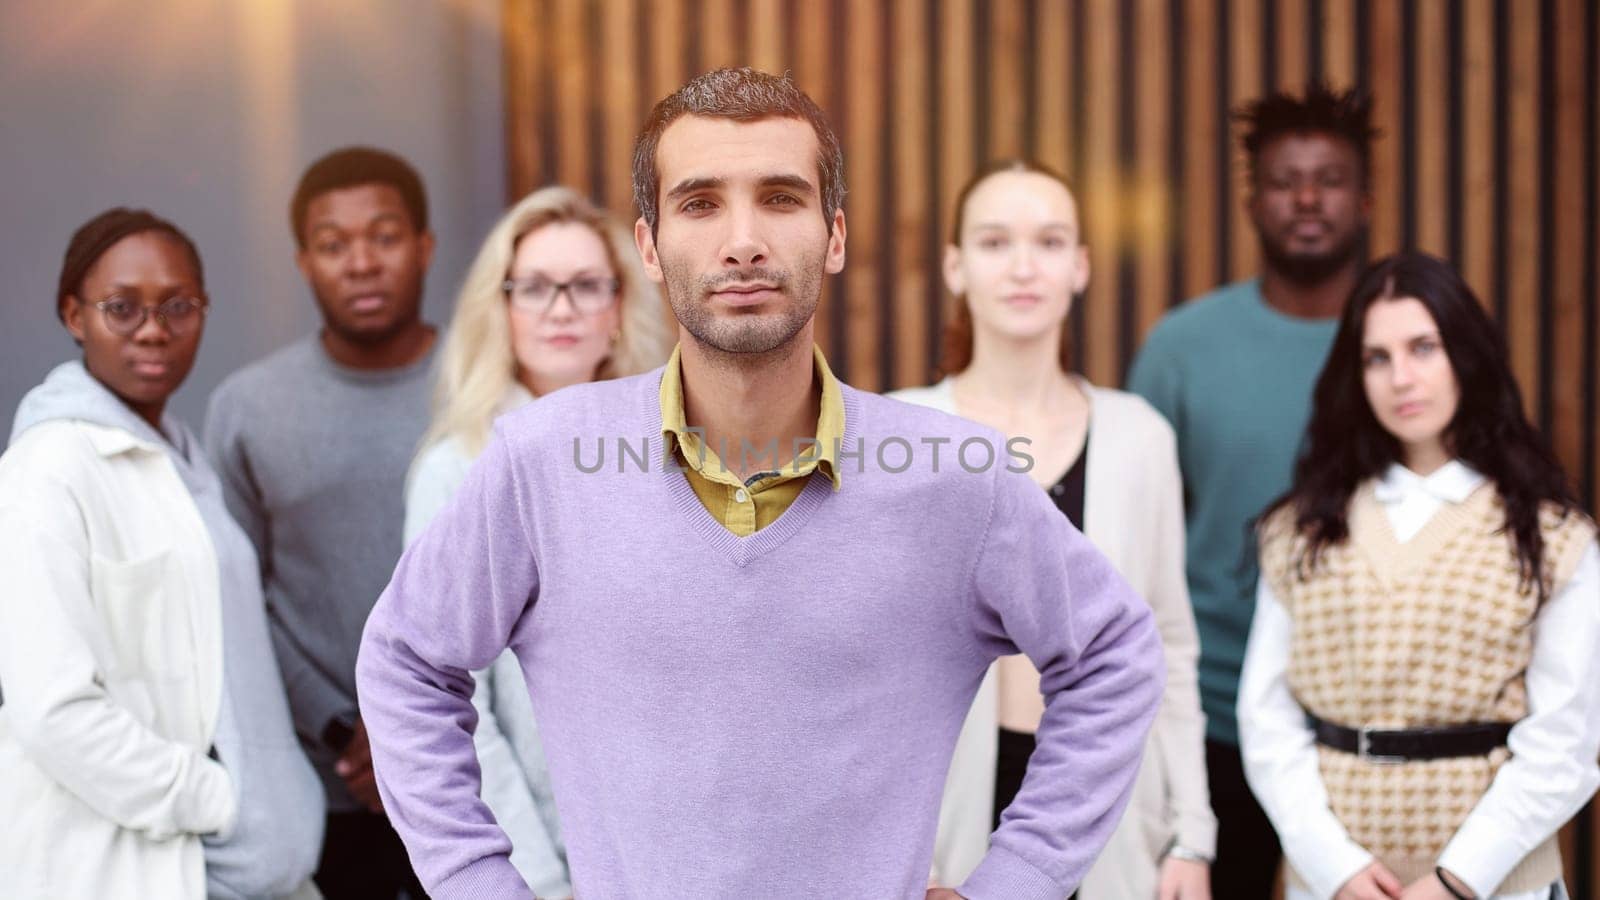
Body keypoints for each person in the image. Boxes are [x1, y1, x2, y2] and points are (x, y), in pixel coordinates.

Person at [357, 67, 1164, 900]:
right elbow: (407, 661)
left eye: (780, 198)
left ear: (835, 236)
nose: (742, 240)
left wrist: (1018, 881)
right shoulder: (539, 463)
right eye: (701, 203)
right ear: (649, 248)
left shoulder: (959, 479)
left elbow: (1114, 657)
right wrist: (478, 884)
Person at [894, 160, 1214, 900]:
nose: (1023, 266)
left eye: (1049, 241)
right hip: (942, 822)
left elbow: (1167, 644)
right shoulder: (901, 434)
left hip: (1105, 805)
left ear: (1081, 267)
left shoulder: (1140, 437)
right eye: (995, 241)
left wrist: (1191, 834)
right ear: (955, 266)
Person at [1239, 252, 1600, 900]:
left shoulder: (1553, 537)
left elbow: (1566, 741)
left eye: (1423, 348)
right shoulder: (1300, 529)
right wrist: (1334, 866)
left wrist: (1457, 879)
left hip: (1497, 888)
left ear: (1466, 354)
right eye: (1377, 357)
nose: (1400, 377)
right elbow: (1265, 719)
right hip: (1333, 887)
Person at [0, 209, 324, 899]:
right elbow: (51, 710)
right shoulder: (49, 467)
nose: (154, 329)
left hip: (247, 869)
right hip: (146, 865)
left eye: (179, 306)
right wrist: (218, 801)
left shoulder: (182, 460)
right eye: (122, 308)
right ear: (73, 315)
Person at [1125, 83, 1378, 898]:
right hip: (1215, 715)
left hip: (1368, 718)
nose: (1307, 198)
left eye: (1330, 178)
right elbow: (1138, 540)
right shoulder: (1182, 348)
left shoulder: (1407, 348)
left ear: (1366, 197)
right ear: (1251, 200)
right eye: (1284, 180)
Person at [403, 184, 674, 897]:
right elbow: (452, 705)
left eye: (586, 286)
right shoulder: (457, 469)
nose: (561, 308)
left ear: (619, 308)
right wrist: (534, 878)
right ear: (502, 309)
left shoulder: (676, 459)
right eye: (536, 288)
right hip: (540, 863)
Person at [205, 146, 438, 898]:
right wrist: (345, 728)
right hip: (325, 786)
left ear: (425, 247)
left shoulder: (489, 385)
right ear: (305, 262)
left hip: (473, 772)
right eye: (334, 245)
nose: (361, 262)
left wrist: (419, 731)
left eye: (385, 236)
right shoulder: (247, 408)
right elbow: (235, 601)